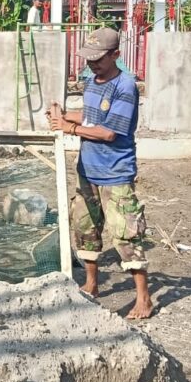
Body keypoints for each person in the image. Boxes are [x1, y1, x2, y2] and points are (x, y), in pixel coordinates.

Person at [47, 27, 152, 320]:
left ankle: (144, 299)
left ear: (116, 55)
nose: (92, 63)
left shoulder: (125, 86)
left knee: (126, 235)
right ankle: (91, 284)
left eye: (99, 58)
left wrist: (71, 129)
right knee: (85, 228)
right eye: (89, 58)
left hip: (115, 172)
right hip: (88, 171)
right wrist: (64, 115)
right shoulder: (92, 83)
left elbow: (108, 132)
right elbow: (93, 117)